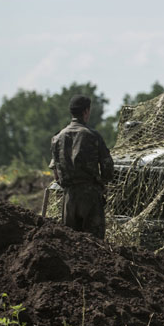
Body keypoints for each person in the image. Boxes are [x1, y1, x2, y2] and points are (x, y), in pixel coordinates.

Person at [49, 95, 114, 239]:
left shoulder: (57, 138)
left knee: (72, 245)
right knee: (95, 245)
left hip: (69, 199)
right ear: (86, 111)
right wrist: (102, 184)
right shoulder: (93, 135)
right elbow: (107, 166)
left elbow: (56, 175)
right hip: (90, 197)